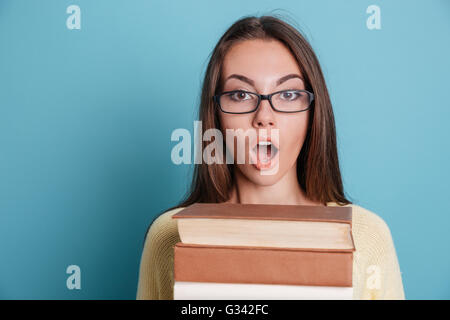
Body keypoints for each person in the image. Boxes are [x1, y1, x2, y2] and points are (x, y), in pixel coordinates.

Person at [136, 14, 405, 300]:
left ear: (313, 113)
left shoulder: (367, 236)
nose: (264, 117)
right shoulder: (169, 235)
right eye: (240, 95)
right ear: (215, 112)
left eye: (288, 94)